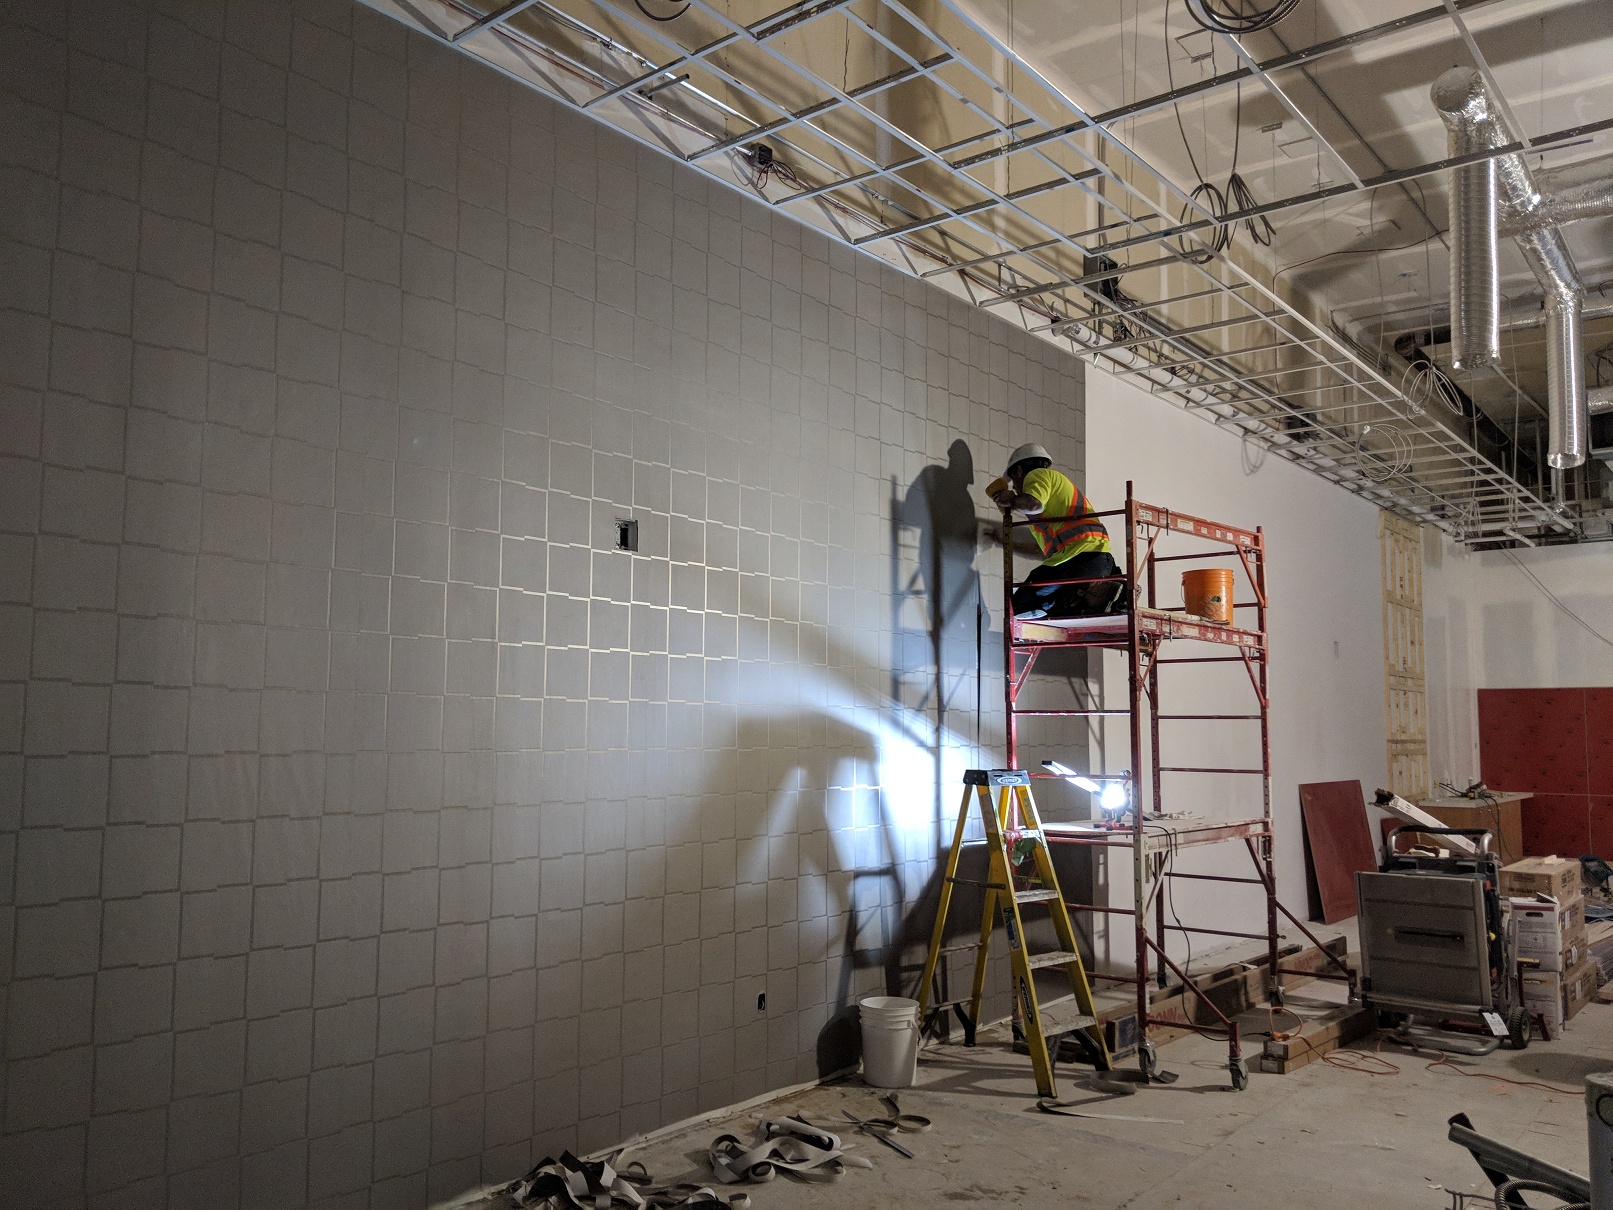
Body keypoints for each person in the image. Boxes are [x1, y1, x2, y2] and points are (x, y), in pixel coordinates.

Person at [988, 444, 1121, 619]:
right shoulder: (1051, 502)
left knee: (1018, 607)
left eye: (1014, 482)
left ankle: (1079, 597)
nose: (1016, 488)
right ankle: (1091, 596)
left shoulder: (1037, 475)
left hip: (1079, 559)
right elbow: (1039, 551)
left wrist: (1011, 499)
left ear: (1019, 471)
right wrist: (1003, 543)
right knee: (1047, 605)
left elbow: (1033, 504)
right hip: (1098, 562)